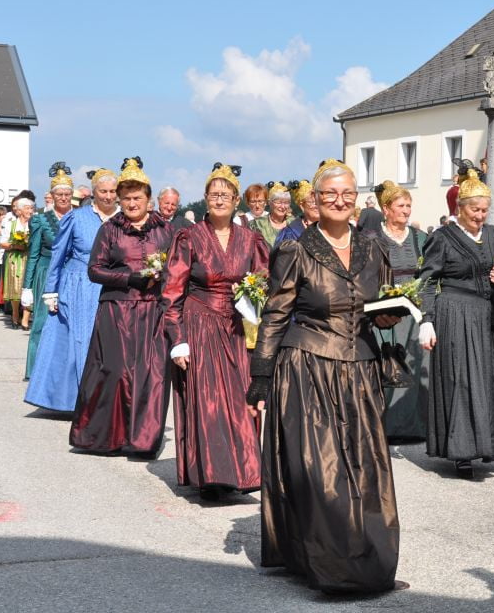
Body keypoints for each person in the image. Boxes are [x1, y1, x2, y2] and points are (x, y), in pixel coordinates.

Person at [248, 158, 403, 594]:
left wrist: (391, 315)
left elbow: (381, 305)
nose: (339, 200)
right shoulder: (296, 250)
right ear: (315, 200)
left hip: (360, 370)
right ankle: (333, 568)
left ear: (357, 200)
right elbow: (275, 314)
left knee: (367, 470)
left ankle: (371, 562)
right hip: (309, 368)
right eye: (331, 194)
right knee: (324, 472)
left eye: (347, 194)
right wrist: (261, 375)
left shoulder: (374, 248)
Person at [161, 162, 268, 496]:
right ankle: (212, 475)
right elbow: (172, 290)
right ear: (206, 198)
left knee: (239, 400)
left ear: (236, 200)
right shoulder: (189, 236)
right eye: (214, 194)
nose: (219, 199)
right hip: (199, 323)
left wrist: (253, 296)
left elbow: (265, 281)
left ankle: (242, 472)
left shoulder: (251, 239)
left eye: (226, 194)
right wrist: (177, 339)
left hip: (236, 328)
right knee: (208, 403)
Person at [69, 158, 174, 456]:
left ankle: (142, 441)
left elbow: (179, 267)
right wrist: (128, 278)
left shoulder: (166, 230)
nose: (131, 203)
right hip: (117, 309)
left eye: (137, 197)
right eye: (126, 198)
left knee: (151, 374)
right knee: (115, 371)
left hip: (154, 310)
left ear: (148, 199)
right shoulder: (110, 229)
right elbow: (94, 270)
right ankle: (106, 437)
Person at [417, 168, 494, 479]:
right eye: (475, 210)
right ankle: (462, 451)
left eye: (485, 210)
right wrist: (427, 320)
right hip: (454, 313)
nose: (480, 216)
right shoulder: (442, 238)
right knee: (461, 380)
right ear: (460, 208)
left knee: (490, 380)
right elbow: (427, 281)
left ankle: (487, 444)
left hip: (488, 315)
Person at [24, 169, 119, 412]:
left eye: (112, 191)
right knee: (80, 342)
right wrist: (51, 290)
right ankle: (78, 400)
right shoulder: (76, 218)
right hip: (79, 285)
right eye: (103, 191)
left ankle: (106, 400)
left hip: (114, 284)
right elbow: (59, 255)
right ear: (93, 192)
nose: (108, 196)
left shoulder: (124, 219)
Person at [367, 180, 429, 442]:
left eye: (408, 206)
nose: (406, 210)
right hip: (386, 312)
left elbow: (430, 273)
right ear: (386, 209)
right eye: (401, 206)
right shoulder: (371, 239)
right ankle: (386, 426)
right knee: (389, 365)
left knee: (417, 363)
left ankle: (417, 427)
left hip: (416, 311)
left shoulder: (420, 238)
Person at [21, 163, 74, 380]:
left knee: (68, 323)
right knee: (42, 322)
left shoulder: (77, 217)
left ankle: (63, 370)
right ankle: (33, 370)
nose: (63, 198)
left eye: (67, 194)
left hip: (70, 274)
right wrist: (27, 286)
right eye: (59, 194)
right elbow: (33, 254)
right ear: (52, 196)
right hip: (45, 272)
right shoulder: (40, 219)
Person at [1, 196, 35, 329]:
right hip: (15, 259)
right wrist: (15, 245)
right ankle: (15, 314)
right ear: (19, 211)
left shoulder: (35, 223)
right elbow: (2, 243)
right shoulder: (11, 224)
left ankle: (25, 318)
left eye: (31, 208)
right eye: (27, 208)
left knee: (30, 287)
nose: (30, 211)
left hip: (31, 257)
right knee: (15, 287)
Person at [272, 179, 319, 247]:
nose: (316, 205)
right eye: (312, 202)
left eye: (318, 201)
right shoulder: (290, 233)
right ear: (302, 206)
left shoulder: (330, 227)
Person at [248, 181, 291, 249]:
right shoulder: (256, 225)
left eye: (286, 203)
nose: (283, 206)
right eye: (278, 202)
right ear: (270, 203)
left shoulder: (294, 224)